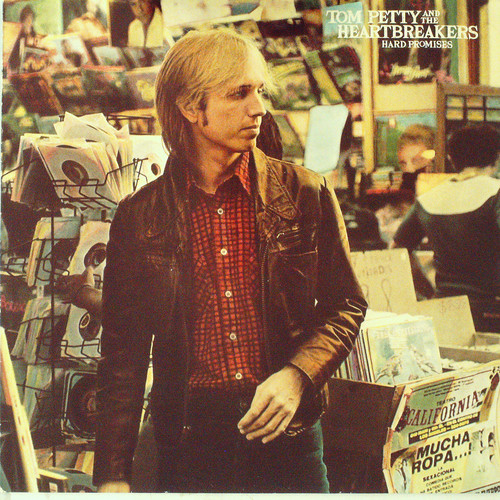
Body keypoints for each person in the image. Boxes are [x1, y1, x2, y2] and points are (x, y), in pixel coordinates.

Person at [93, 28, 367, 493]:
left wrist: (297, 375)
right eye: (239, 94)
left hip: (289, 433)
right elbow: (123, 353)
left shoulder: (303, 192)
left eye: (259, 91)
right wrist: (113, 475)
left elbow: (346, 304)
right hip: (191, 441)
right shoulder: (140, 216)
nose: (258, 108)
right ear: (189, 106)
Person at [392, 124, 500, 331]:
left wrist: (426, 288)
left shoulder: (428, 198)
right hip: (492, 312)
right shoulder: (496, 193)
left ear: (451, 158)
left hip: (444, 309)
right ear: (496, 157)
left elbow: (397, 250)